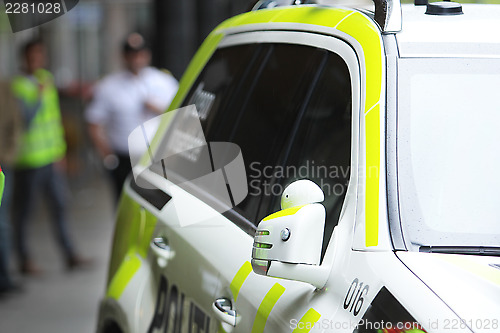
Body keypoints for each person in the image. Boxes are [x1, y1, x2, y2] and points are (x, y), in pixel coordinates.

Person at [11, 39, 89, 275]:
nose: (37, 61)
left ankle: (69, 254)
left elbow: (54, 121)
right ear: (24, 59)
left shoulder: (46, 79)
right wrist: (37, 95)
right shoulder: (17, 87)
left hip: (51, 158)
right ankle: (24, 260)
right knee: (25, 212)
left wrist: (61, 152)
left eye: (40, 56)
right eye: (32, 57)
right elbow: (24, 119)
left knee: (60, 206)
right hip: (29, 160)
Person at [85, 32, 178, 199]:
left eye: (141, 54)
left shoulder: (163, 80)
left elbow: (181, 114)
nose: (137, 59)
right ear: (124, 56)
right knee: (124, 204)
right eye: (132, 54)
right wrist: (108, 156)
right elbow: (93, 122)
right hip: (124, 160)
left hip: (157, 159)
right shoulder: (109, 85)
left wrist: (157, 108)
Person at [0, 78, 22, 292]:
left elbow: (14, 123)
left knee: (2, 224)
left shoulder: (5, 88)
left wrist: (7, 156)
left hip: (1, 164)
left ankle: (4, 278)